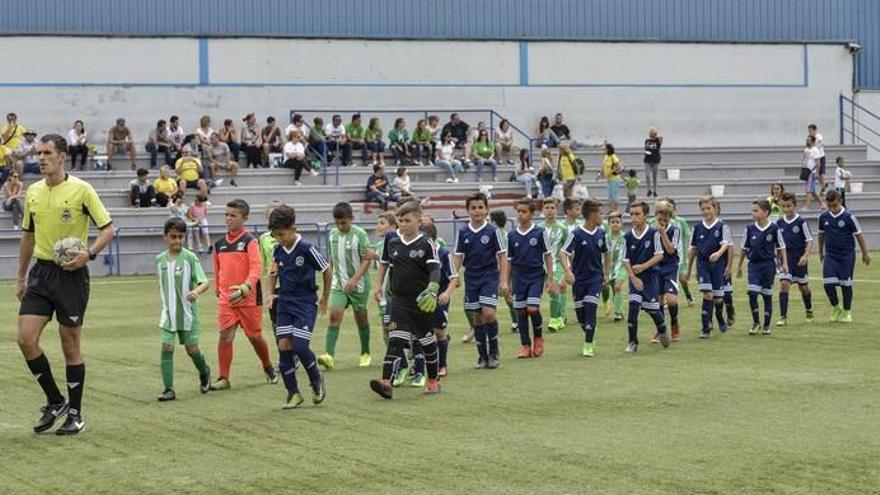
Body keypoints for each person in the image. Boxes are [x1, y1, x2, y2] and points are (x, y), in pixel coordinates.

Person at [17, 133, 114, 435]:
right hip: (41, 273)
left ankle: (75, 413)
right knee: (25, 339)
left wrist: (90, 254)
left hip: (71, 275)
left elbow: (108, 229)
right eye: (38, 153)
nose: (41, 158)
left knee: (70, 345)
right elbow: (28, 237)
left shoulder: (82, 190)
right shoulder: (32, 192)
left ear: (62, 156)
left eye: (47, 153)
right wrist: (21, 276)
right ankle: (54, 400)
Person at [369, 201, 443, 398]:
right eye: (400, 220)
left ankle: (433, 380)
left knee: (427, 342)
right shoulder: (392, 242)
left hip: (421, 302)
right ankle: (386, 382)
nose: (403, 224)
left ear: (419, 221)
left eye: (407, 221)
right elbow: (384, 264)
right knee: (396, 341)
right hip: (399, 301)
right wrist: (378, 286)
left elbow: (435, 269)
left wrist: (433, 287)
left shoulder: (426, 243)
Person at [264, 204, 330, 409]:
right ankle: (293, 393)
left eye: (282, 234)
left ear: (294, 228)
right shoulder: (278, 250)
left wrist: (325, 297)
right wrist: (268, 294)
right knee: (284, 346)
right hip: (284, 302)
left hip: (305, 302)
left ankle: (316, 380)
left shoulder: (307, 248)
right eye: (276, 235)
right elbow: (273, 273)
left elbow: (327, 270)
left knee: (300, 346)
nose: (280, 239)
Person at [209, 199, 276, 390]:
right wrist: (219, 290)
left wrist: (245, 287)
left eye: (233, 215)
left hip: (249, 298)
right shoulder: (219, 244)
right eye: (226, 215)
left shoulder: (250, 241)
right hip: (227, 299)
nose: (228, 219)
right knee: (225, 336)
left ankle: (268, 367)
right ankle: (223, 377)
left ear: (244, 218)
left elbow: (256, 268)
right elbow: (217, 269)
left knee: (254, 337)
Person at [154, 217, 213, 401]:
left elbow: (205, 282)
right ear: (165, 237)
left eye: (180, 236)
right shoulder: (160, 260)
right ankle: (168, 389)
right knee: (166, 347)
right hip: (168, 314)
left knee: (192, 350)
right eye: (173, 237)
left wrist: (196, 291)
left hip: (187, 314)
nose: (177, 240)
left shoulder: (189, 257)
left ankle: (205, 371)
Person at [453, 192, 508, 369]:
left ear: (486, 210)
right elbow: (458, 257)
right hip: (471, 277)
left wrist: (504, 280)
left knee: (488, 312)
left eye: (480, 208)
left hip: (489, 276)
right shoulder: (463, 232)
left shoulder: (493, 231)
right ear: (468, 211)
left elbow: (503, 256)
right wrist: (454, 277)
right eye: (473, 208)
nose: (477, 211)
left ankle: (494, 352)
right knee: (477, 317)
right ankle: (482, 357)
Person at [317, 202, 374, 370]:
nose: (340, 226)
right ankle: (329, 355)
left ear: (351, 219)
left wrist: (355, 279)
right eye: (337, 222)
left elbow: (367, 258)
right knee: (335, 316)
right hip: (339, 284)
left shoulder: (360, 234)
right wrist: (327, 289)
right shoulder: (332, 235)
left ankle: (365, 352)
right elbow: (332, 261)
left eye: (344, 222)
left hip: (359, 285)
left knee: (361, 318)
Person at [560, 199, 610, 357]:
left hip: (595, 278)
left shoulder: (602, 233)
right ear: (592, 215)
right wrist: (568, 271)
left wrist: (606, 273)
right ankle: (589, 332)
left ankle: (588, 344)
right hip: (579, 280)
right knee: (581, 315)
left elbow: (607, 252)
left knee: (590, 307)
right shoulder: (576, 234)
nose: (602, 217)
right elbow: (563, 253)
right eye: (600, 213)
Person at [506, 198, 554, 358]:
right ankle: (525, 345)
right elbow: (509, 260)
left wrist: (550, 279)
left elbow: (548, 256)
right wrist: (507, 281)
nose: (520, 215)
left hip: (535, 275)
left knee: (532, 308)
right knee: (520, 311)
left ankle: (538, 338)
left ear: (532, 214)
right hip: (518, 277)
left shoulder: (539, 232)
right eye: (518, 211)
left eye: (524, 212)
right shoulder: (511, 235)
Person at [621, 201, 669, 353]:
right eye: (632, 214)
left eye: (637, 214)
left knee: (653, 310)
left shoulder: (653, 234)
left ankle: (662, 329)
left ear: (645, 216)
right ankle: (632, 342)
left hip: (650, 278)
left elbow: (659, 255)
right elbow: (625, 259)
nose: (634, 217)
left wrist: (643, 266)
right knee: (633, 307)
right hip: (635, 279)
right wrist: (633, 277)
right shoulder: (627, 237)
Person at [818, 189, 870, 323]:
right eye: (829, 206)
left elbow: (859, 235)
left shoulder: (849, 217)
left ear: (840, 201)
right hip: (830, 254)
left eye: (834, 205)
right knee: (828, 283)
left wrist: (865, 253)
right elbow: (821, 234)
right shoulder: (823, 217)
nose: (832, 209)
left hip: (847, 255)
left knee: (845, 284)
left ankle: (847, 312)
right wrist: (820, 251)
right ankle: (836, 307)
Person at [736, 200, 788, 336]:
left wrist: (785, 263)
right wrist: (740, 265)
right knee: (752, 293)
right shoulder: (749, 229)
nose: (753, 213)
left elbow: (781, 246)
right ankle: (756, 322)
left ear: (766, 212)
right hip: (754, 265)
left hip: (768, 265)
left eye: (755, 210)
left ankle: (766, 324)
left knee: (767, 295)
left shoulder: (774, 228)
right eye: (752, 210)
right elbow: (743, 248)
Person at [686, 196, 733, 338]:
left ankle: (719, 316)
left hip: (718, 265)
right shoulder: (697, 228)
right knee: (708, 294)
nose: (706, 211)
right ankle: (705, 327)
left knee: (718, 299)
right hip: (703, 265)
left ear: (715, 209)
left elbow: (727, 245)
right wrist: (689, 269)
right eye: (703, 209)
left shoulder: (722, 226)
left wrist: (720, 256)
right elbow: (693, 249)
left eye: (709, 208)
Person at [775, 192, 814, 326]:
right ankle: (783, 317)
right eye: (784, 206)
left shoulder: (801, 222)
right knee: (784, 284)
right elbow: (777, 243)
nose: (786, 209)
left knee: (803, 288)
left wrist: (806, 255)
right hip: (785, 260)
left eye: (789, 206)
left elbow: (809, 240)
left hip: (799, 259)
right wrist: (776, 256)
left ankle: (809, 309)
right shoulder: (779, 223)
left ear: (795, 206)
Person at [652, 201, 682, 343]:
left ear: (670, 218)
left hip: (670, 266)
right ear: (655, 216)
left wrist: (663, 234)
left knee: (671, 299)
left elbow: (670, 250)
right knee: (658, 301)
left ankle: (674, 322)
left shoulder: (675, 230)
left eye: (666, 219)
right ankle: (660, 329)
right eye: (659, 219)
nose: (662, 222)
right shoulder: (650, 230)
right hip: (656, 267)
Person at [541, 198, 570, 332]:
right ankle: (559, 317)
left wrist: (568, 268)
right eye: (547, 208)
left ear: (557, 210)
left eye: (552, 208)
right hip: (541, 264)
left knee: (553, 288)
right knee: (550, 291)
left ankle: (554, 319)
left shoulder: (563, 229)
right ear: (543, 210)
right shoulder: (539, 228)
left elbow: (568, 249)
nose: (549, 211)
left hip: (557, 263)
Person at [491, 210, 518, 334]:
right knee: (508, 297)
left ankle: (489, 324)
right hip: (508, 269)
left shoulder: (494, 234)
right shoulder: (506, 234)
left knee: (491, 298)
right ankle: (516, 323)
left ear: (493, 221)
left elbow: (500, 254)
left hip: (498, 270)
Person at [604, 211, 626, 323]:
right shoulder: (605, 238)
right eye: (613, 222)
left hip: (621, 266)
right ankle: (620, 310)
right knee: (611, 288)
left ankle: (617, 313)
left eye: (618, 222)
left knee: (617, 287)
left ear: (621, 224)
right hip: (609, 267)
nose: (615, 224)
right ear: (609, 224)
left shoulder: (625, 237)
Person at [802, 135, 824, 211]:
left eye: (808, 140)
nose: (807, 141)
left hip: (812, 172)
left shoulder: (815, 150)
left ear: (812, 141)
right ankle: (822, 204)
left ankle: (807, 206)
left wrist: (817, 173)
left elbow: (818, 162)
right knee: (813, 190)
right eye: (806, 139)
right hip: (806, 171)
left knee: (809, 189)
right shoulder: (806, 150)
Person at [643, 127, 663, 197]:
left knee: (655, 176)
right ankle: (649, 190)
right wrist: (646, 152)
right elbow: (646, 149)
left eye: (653, 134)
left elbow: (661, 139)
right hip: (647, 160)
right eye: (651, 134)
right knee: (647, 175)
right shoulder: (647, 141)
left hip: (655, 161)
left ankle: (655, 190)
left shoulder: (658, 141)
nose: (651, 136)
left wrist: (656, 136)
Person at [807, 124, 826, 192]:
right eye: (808, 130)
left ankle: (823, 187)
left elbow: (821, 144)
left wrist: (816, 147)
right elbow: (808, 145)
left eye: (810, 130)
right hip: (813, 157)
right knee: (815, 173)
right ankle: (823, 184)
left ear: (815, 130)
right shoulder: (809, 137)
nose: (809, 132)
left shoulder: (818, 136)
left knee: (820, 173)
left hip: (820, 156)